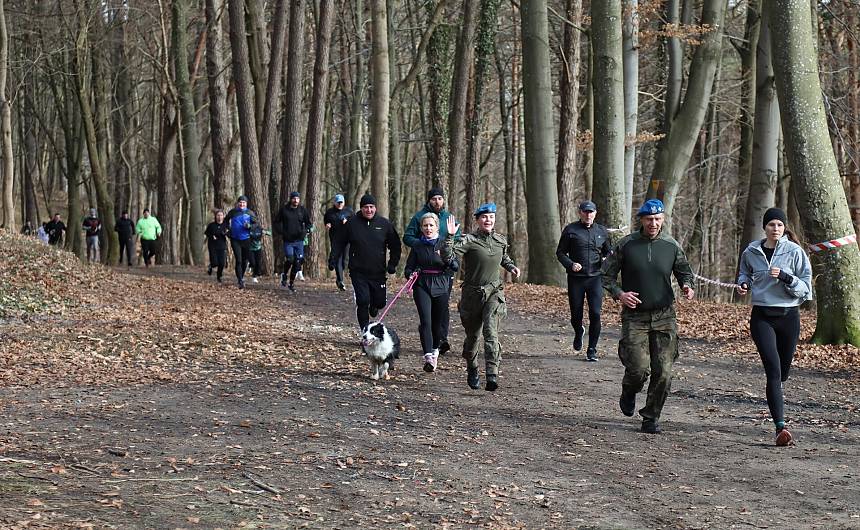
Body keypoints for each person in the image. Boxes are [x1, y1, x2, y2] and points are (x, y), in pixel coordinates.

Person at [602, 199, 695, 434]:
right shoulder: (627, 244)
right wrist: (620, 294)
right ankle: (629, 390)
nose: (653, 223)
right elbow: (606, 276)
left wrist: (687, 286)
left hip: (664, 315)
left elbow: (685, 272)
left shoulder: (671, 245)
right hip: (635, 317)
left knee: (663, 371)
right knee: (638, 369)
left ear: (663, 219)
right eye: (649, 219)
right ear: (641, 220)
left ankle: (651, 417)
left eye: (657, 219)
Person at [737, 207, 812, 447]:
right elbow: (744, 274)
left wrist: (787, 278)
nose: (775, 229)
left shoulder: (795, 252)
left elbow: (806, 288)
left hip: (789, 316)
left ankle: (777, 390)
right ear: (765, 228)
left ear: (784, 228)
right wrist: (743, 285)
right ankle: (781, 427)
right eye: (771, 225)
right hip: (762, 317)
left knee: (783, 371)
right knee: (773, 370)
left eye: (779, 225)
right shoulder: (751, 251)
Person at [442, 204, 521, 392]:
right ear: (477, 220)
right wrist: (450, 236)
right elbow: (448, 257)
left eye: (491, 217)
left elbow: (504, 257)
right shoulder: (469, 240)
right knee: (473, 337)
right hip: (472, 295)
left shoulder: (500, 240)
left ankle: (492, 374)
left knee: (491, 331)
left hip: (494, 292)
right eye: (484, 217)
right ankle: (473, 368)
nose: (488, 220)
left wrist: (511, 267)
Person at [329, 193, 401, 331]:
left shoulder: (384, 224)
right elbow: (339, 242)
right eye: (366, 207)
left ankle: (374, 306)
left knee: (379, 302)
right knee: (363, 301)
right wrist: (333, 259)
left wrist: (392, 264)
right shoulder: (352, 223)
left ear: (376, 208)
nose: (369, 210)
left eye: (372, 207)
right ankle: (364, 330)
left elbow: (395, 245)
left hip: (378, 271)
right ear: (361, 208)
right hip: (358, 271)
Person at [403, 187, 462, 355]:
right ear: (429, 200)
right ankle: (433, 346)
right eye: (434, 198)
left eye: (440, 198)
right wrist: (424, 246)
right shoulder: (418, 217)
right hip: (423, 273)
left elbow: (457, 240)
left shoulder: (449, 218)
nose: (437, 201)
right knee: (427, 316)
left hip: (444, 272)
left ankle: (441, 338)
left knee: (442, 308)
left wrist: (445, 248)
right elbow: (407, 237)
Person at [556, 200, 612, 361]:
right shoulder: (571, 230)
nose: (588, 215)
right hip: (576, 279)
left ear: (595, 213)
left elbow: (609, 252)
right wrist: (570, 264)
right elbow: (560, 253)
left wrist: (606, 260)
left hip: (595, 278)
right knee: (576, 314)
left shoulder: (602, 231)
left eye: (591, 212)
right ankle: (578, 330)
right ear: (580, 213)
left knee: (595, 313)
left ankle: (592, 350)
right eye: (585, 212)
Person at [274, 191, 312, 292]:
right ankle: (284, 274)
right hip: (288, 240)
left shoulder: (302, 210)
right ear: (290, 199)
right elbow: (276, 222)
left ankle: (291, 283)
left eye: (297, 199)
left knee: (298, 262)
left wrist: (306, 231)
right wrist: (282, 232)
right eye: (294, 198)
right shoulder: (284, 210)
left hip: (299, 240)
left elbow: (309, 224)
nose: (296, 200)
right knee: (290, 259)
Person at [225, 195, 258, 289]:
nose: (242, 204)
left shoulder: (250, 213)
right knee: (238, 260)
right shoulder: (233, 212)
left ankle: (241, 276)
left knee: (244, 261)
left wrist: (250, 226)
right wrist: (227, 229)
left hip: (247, 239)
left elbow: (256, 224)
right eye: (240, 202)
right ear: (238, 203)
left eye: (243, 203)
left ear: (246, 204)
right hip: (235, 239)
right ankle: (240, 280)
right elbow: (226, 221)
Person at [324, 194, 354, 291]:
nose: (340, 204)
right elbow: (326, 222)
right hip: (335, 239)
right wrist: (327, 225)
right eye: (338, 203)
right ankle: (340, 280)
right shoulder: (329, 212)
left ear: (344, 202)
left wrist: (347, 222)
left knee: (345, 260)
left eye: (341, 202)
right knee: (338, 260)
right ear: (334, 203)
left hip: (346, 239)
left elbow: (355, 223)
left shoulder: (349, 211)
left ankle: (332, 262)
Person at [204, 210, 228, 283]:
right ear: (215, 216)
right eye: (218, 215)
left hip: (222, 245)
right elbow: (206, 233)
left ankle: (219, 276)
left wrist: (226, 234)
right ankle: (211, 266)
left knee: (222, 263)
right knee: (215, 262)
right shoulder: (211, 225)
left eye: (221, 215)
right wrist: (212, 236)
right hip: (213, 245)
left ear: (223, 216)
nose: (219, 217)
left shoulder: (225, 225)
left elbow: (230, 233)